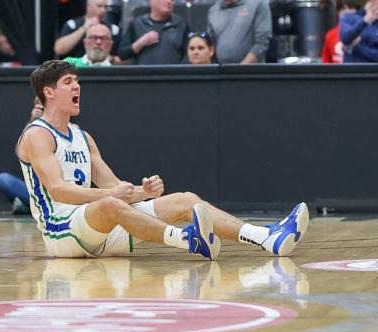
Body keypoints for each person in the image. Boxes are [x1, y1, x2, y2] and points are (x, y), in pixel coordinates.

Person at [17, 60, 309, 259]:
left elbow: (115, 187)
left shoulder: (82, 136)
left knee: (185, 200)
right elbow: (59, 190)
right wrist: (113, 195)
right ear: (49, 92)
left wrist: (144, 191)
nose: (77, 87)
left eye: (77, 81)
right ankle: (188, 240)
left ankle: (266, 237)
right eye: (68, 82)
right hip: (61, 232)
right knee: (109, 204)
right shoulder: (37, 135)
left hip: (98, 229)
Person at [207, 0, 272, 64]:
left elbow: (262, 43)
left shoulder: (258, 4)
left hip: (251, 72)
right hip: (221, 71)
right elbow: (210, 46)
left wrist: (240, 69)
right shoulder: (213, 11)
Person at [118, 0, 188, 65]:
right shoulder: (137, 24)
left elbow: (189, 54)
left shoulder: (181, 24)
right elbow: (122, 54)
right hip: (144, 72)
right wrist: (140, 43)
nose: (169, 1)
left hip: (173, 72)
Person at [54, 0, 119, 59]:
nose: (103, 10)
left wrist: (112, 59)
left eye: (105, 7)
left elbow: (119, 58)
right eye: (99, 6)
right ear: (88, 6)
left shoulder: (112, 29)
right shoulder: (72, 25)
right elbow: (58, 50)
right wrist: (84, 28)